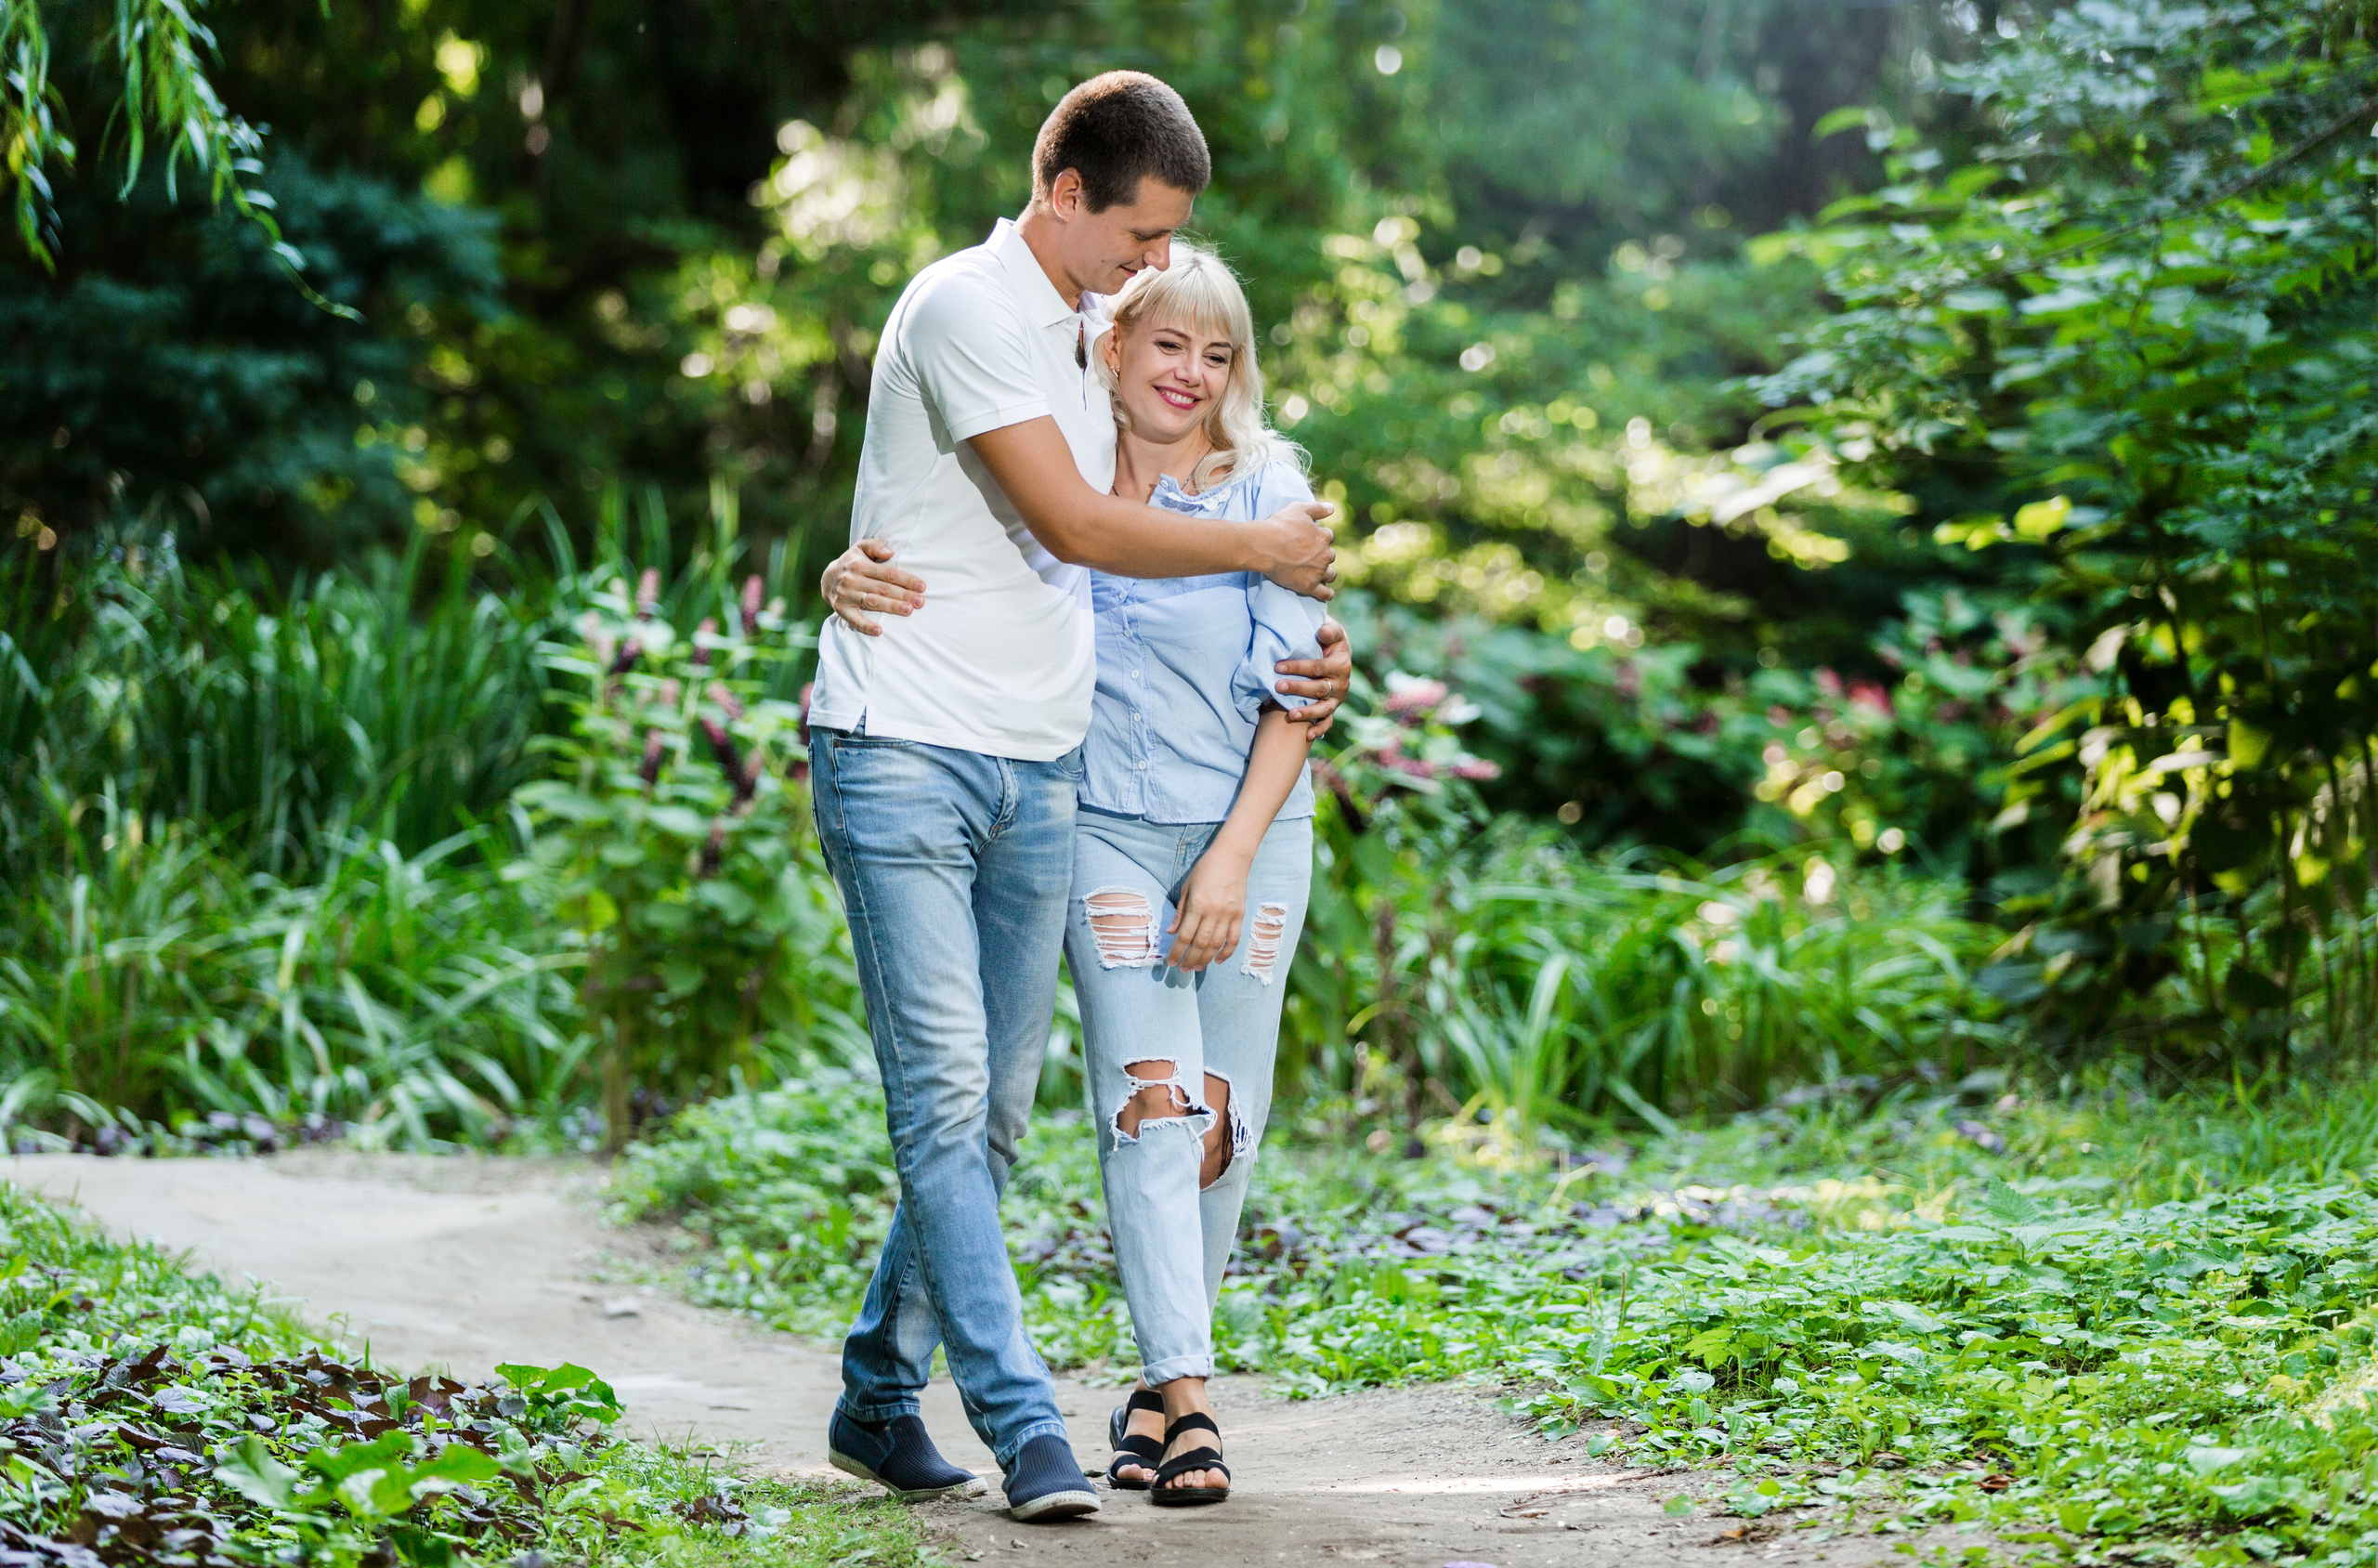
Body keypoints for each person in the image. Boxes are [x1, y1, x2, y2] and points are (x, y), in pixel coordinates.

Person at [804, 71, 1352, 1524]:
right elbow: (1061, 520)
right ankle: (1030, 1424)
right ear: (1068, 199)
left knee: (1000, 1121)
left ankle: (877, 1393)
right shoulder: (985, 313)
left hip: (1044, 774)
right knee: (980, 1106)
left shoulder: (1080, 339)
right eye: (1147, 241)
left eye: (1190, 286)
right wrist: (1261, 554)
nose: (1159, 268)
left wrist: (1286, 584)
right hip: (931, 757)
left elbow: (944, 506)